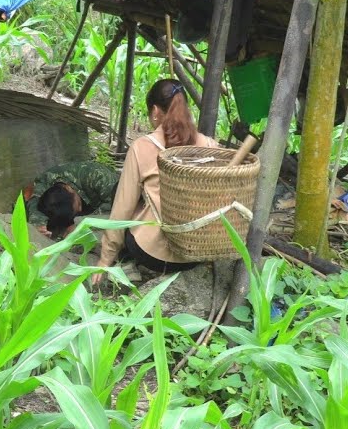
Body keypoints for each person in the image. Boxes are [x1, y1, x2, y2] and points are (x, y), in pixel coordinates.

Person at [92, 79, 215, 284]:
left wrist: (105, 259)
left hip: (153, 255)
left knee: (122, 194)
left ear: (156, 111)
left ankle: (127, 262)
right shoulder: (210, 146)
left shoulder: (142, 147)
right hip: (196, 255)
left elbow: (122, 210)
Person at [17, 161, 119, 239]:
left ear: (69, 188)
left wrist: (80, 224)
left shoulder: (98, 177)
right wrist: (39, 225)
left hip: (112, 199)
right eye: (78, 207)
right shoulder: (45, 181)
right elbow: (34, 201)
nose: (79, 210)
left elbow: (119, 204)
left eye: (78, 205)